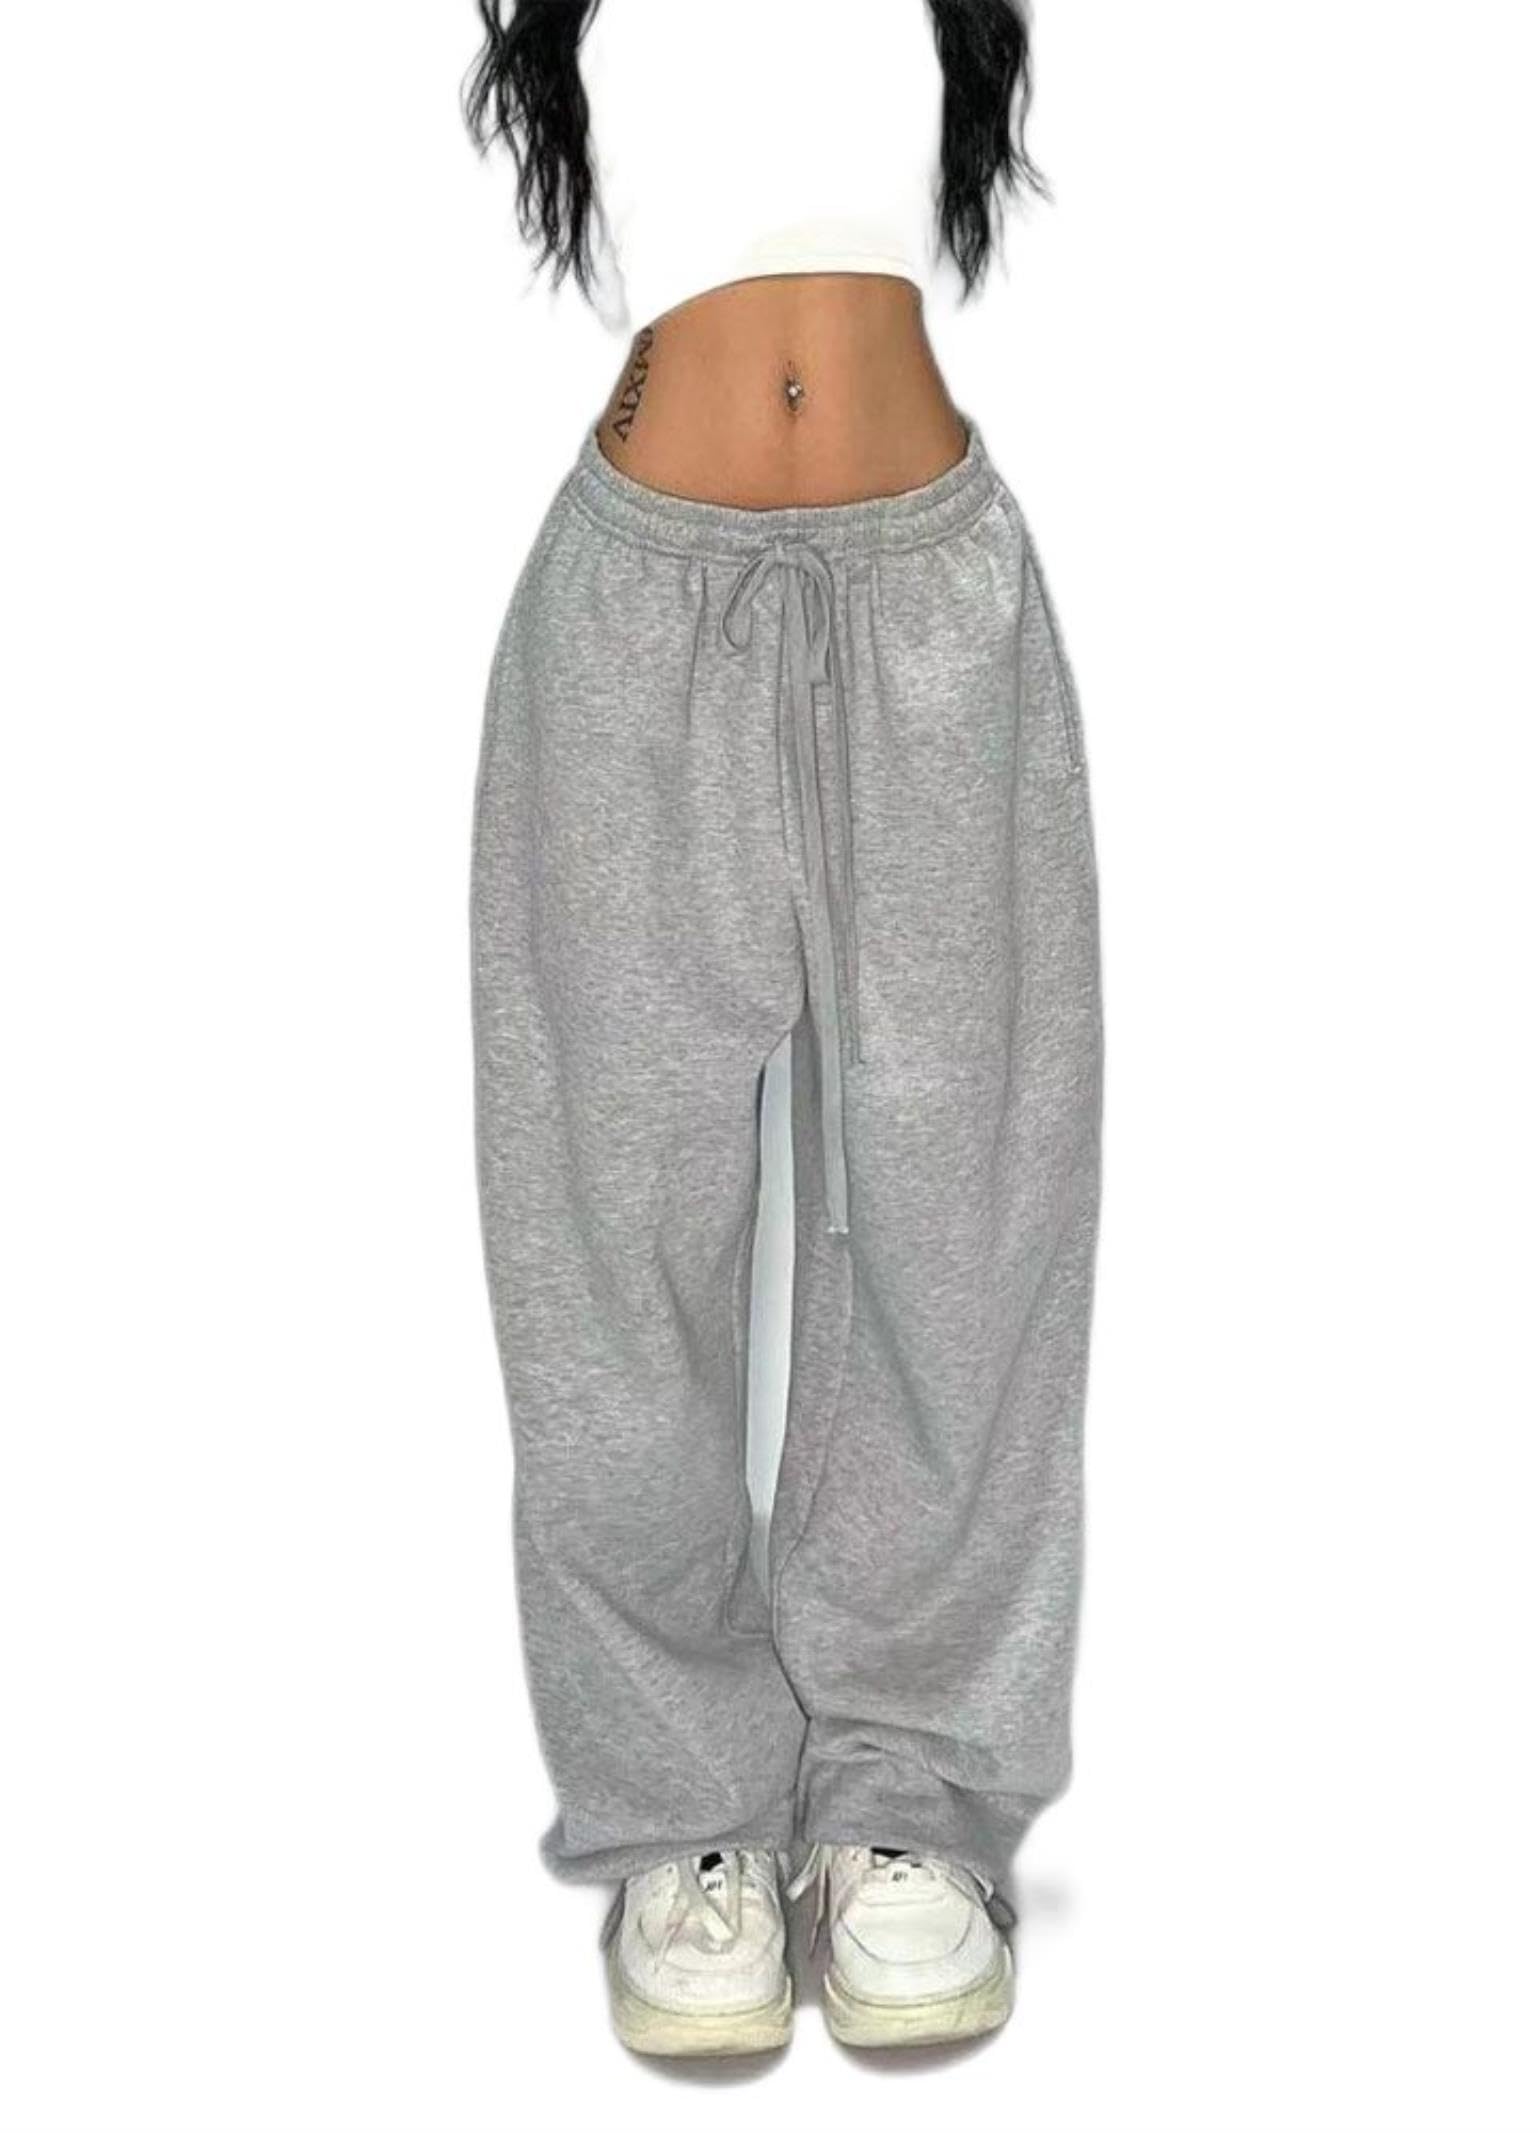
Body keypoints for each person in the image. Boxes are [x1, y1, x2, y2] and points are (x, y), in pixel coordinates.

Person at [464, 0, 1103, 2057]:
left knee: (963, 1228)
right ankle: (685, 1819)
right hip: (633, 617)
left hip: (938, 606)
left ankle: (906, 1795)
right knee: (611, 1245)